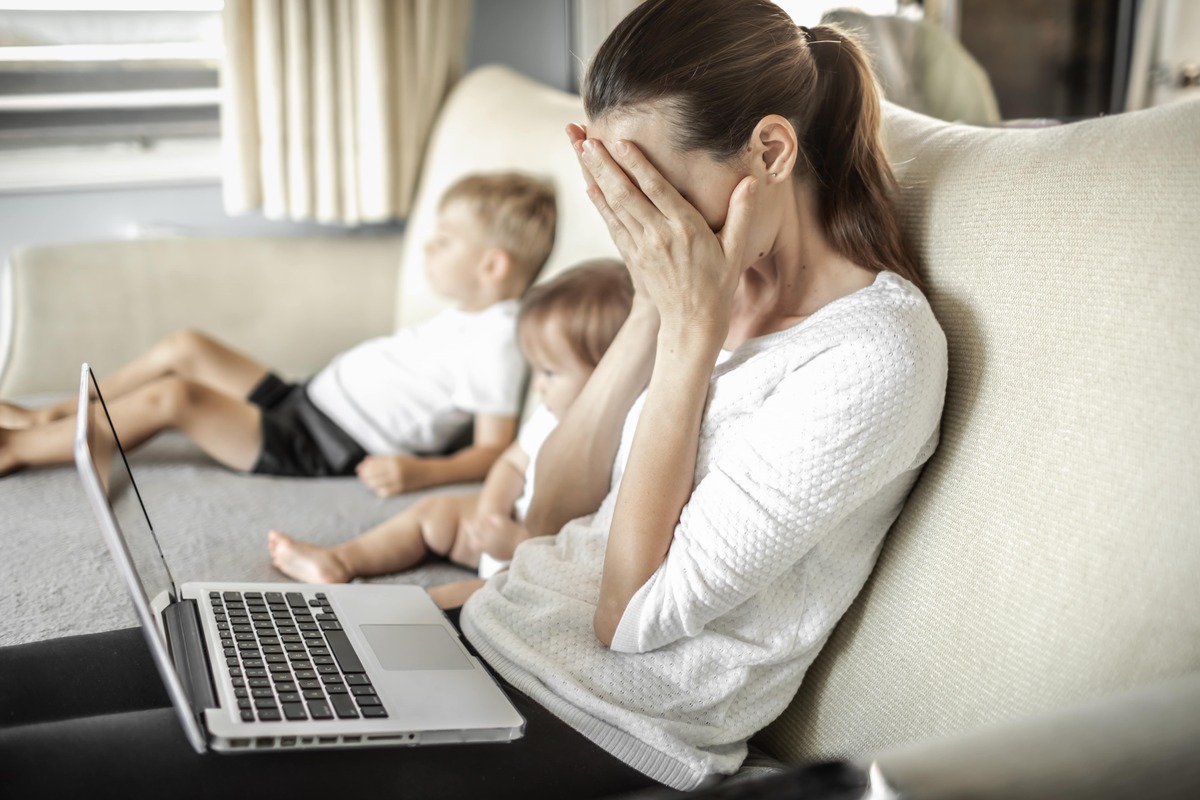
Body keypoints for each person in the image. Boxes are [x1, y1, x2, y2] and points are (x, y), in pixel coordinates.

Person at [0, 2, 948, 797]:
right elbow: (549, 517)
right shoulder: (705, 291)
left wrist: (692, 332)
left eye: (647, 184)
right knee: (43, 682)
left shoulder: (872, 357)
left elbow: (628, 617)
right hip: (490, 628)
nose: (631, 216)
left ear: (771, 151)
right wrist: (657, 314)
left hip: (597, 720)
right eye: (612, 184)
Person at [0, 172, 556, 496]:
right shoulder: (467, 315)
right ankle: (61, 413)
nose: (428, 249)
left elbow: (493, 450)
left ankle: (20, 448)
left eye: (445, 240)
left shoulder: (498, 341)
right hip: (304, 399)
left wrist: (420, 471)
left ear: (493, 266)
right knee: (188, 346)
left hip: (316, 445)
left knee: (176, 398)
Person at [266, 260, 634, 608]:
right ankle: (339, 560)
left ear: (610, 373)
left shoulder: (626, 442)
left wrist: (519, 544)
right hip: (499, 528)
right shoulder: (549, 417)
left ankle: (415, 612)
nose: (538, 386)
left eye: (550, 373)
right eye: (536, 370)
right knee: (435, 512)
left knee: (500, 596)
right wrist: (490, 511)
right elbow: (510, 464)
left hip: (537, 558)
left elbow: (591, 544)